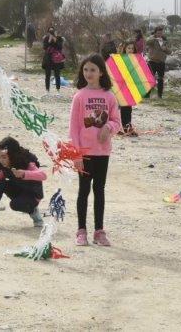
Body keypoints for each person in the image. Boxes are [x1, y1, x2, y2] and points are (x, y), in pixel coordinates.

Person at [69, 54, 121, 247]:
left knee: (99, 190)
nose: (88, 73)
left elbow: (117, 122)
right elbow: (73, 128)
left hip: (103, 152)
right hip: (85, 152)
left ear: (101, 72)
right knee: (83, 191)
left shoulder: (109, 96)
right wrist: (76, 154)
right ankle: (81, 230)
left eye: (92, 70)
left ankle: (99, 231)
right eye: (85, 70)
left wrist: (108, 128)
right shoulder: (79, 96)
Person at [0, 137, 47, 229]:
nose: (1, 160)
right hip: (19, 191)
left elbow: (43, 175)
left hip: (32, 196)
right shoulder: (5, 168)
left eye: (4, 157)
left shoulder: (27, 163)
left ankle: (33, 211)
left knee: (15, 204)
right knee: (0, 183)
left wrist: (24, 174)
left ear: (13, 155)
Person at [117, 42, 139, 138]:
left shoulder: (136, 61)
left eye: (132, 48)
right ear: (125, 49)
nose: (130, 50)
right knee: (120, 107)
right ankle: (121, 128)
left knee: (128, 108)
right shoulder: (120, 59)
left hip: (130, 87)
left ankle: (127, 126)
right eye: (129, 48)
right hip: (120, 86)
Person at [145, 27, 171, 98]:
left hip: (161, 62)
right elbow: (147, 42)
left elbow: (170, 51)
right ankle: (147, 94)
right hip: (152, 61)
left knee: (160, 79)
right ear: (155, 32)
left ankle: (159, 95)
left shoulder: (165, 40)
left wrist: (165, 49)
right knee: (150, 78)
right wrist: (154, 38)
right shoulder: (152, 39)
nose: (160, 34)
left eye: (161, 33)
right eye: (158, 33)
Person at [41, 27, 66, 92]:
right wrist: (49, 40)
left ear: (55, 31)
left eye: (52, 31)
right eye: (50, 31)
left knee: (57, 75)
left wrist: (55, 40)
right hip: (48, 59)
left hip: (56, 59)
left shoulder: (59, 38)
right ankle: (47, 90)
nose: (51, 32)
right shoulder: (46, 38)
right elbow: (44, 48)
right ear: (48, 32)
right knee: (47, 75)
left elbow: (60, 47)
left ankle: (58, 90)